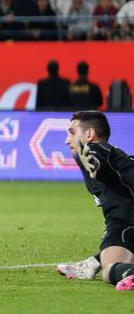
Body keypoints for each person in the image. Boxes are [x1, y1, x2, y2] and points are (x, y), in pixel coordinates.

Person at [60, 111, 134, 291]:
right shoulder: (113, 155)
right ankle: (93, 262)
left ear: (89, 135)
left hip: (126, 222)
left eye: (71, 132)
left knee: (110, 271)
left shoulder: (96, 150)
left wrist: (92, 161)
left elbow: (95, 158)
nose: (67, 140)